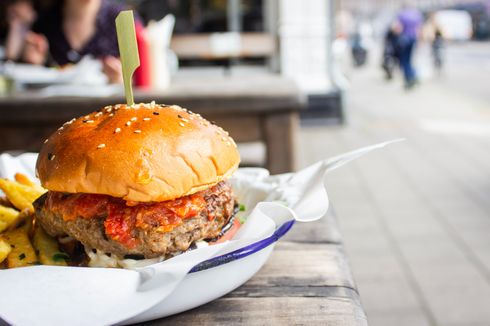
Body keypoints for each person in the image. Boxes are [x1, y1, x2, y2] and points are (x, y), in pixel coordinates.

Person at [23, 0, 150, 85]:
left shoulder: (122, 18)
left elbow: (145, 84)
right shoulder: (45, 22)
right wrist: (35, 62)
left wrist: (121, 82)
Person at [397, 5, 423, 89]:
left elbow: (398, 28)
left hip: (405, 39)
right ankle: (413, 75)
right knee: (410, 59)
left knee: (404, 60)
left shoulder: (402, 14)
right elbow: (419, 29)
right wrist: (420, 41)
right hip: (413, 39)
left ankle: (409, 77)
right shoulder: (417, 15)